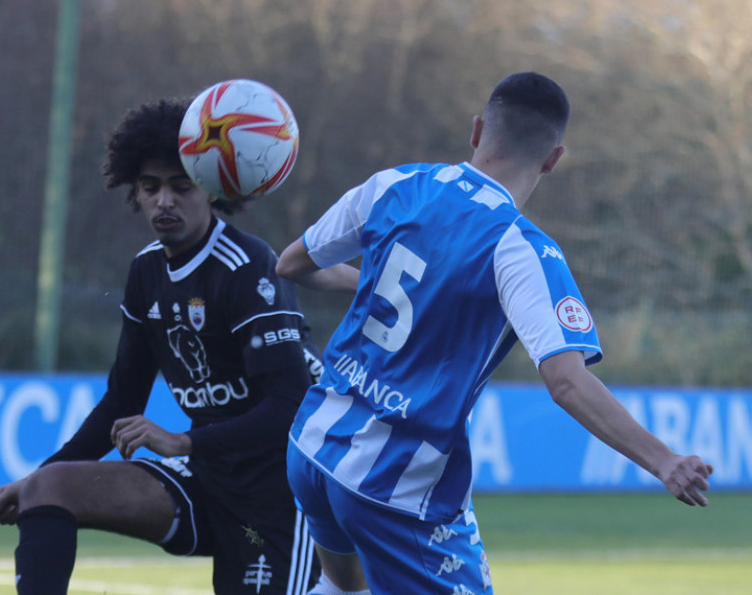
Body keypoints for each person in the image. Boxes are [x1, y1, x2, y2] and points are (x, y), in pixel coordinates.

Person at [275, 72, 714, 595]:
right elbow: (566, 381)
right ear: (553, 159)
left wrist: (372, 286)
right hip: (392, 483)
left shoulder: (393, 185)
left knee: (344, 586)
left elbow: (294, 265)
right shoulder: (519, 247)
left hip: (312, 443)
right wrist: (664, 460)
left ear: (477, 130)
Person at [0, 98, 322, 595]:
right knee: (49, 488)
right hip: (206, 475)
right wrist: (36, 480)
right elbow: (122, 401)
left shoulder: (248, 266)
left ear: (210, 190)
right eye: (150, 187)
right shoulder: (147, 271)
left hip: (283, 485)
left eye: (180, 186)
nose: (164, 201)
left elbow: (291, 404)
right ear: (135, 194)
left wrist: (185, 441)